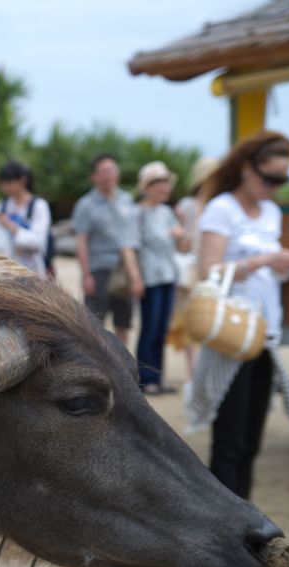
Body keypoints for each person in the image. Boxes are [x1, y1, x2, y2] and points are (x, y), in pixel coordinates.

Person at [188, 130, 289, 499]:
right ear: (246, 169)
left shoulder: (272, 211)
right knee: (231, 437)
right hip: (232, 331)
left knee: (252, 437)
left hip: (266, 331)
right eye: (270, 178)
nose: (274, 187)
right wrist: (265, 259)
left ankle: (242, 511)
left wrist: (286, 263)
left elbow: (267, 272)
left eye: (282, 180)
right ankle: (224, 518)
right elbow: (208, 270)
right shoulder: (222, 208)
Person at [125, 161, 188, 394]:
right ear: (148, 186)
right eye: (159, 182)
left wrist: (182, 228)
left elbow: (183, 247)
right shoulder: (137, 213)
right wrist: (135, 278)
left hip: (169, 276)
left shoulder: (168, 212)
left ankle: (157, 377)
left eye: (166, 182)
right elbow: (128, 248)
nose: (165, 187)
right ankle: (145, 377)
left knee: (162, 329)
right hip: (149, 278)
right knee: (149, 328)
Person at [73, 154, 139, 345]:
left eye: (112, 170)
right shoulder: (86, 205)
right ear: (93, 177)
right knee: (94, 324)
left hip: (123, 271)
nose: (108, 175)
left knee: (123, 322)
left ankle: (122, 367)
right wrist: (86, 275)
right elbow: (81, 241)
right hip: (99, 269)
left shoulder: (127, 199)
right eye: (103, 172)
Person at [169, 157, 219, 375]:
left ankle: (204, 371)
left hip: (215, 272)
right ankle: (194, 372)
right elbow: (182, 245)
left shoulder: (221, 205)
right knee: (191, 322)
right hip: (192, 273)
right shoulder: (187, 206)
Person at [0, 161, 51, 276]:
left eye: (9, 182)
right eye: (3, 183)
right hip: (5, 271)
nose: (5, 187)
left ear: (22, 180)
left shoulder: (38, 206)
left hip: (33, 271)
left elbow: (39, 241)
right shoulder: (1, 206)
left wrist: (11, 227)